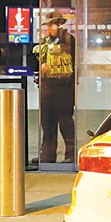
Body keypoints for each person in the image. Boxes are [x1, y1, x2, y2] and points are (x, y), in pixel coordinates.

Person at [34, 11, 76, 163]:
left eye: (51, 25)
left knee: (65, 122)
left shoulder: (68, 39)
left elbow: (72, 57)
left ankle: (71, 155)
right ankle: (47, 155)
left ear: (58, 25)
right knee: (48, 123)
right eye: (47, 25)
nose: (48, 28)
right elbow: (38, 61)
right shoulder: (45, 42)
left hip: (63, 87)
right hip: (48, 87)